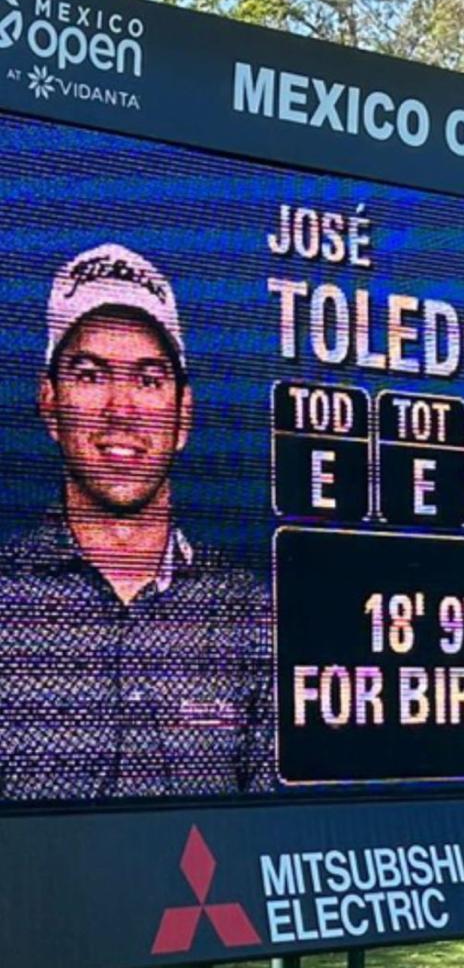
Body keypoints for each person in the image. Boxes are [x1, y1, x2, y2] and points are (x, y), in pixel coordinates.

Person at [0, 244, 272, 801]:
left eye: (149, 379)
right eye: (91, 374)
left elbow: (281, 842)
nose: (121, 409)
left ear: (184, 414)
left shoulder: (252, 617)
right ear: (49, 403)